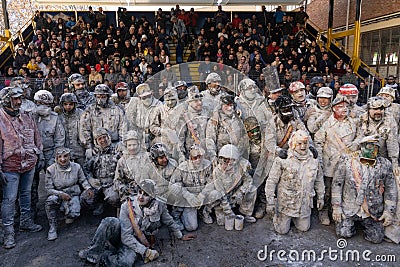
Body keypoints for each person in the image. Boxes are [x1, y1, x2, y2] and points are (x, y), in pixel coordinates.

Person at [78, 179, 196, 266]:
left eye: (146, 194)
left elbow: (168, 220)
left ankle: (104, 255)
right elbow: (125, 236)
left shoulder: (159, 205)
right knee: (109, 221)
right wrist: (145, 252)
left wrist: (180, 235)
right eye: (140, 192)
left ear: (153, 196)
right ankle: (92, 254)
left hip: (138, 241)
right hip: (124, 236)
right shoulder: (127, 206)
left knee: (125, 263)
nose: (141, 197)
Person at [332, 136, 397, 243]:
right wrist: (336, 207)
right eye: (370, 147)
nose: (373, 151)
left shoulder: (384, 165)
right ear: (361, 147)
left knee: (376, 238)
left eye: (376, 147)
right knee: (344, 233)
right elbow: (337, 184)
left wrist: (388, 211)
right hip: (350, 208)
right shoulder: (347, 162)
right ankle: (350, 224)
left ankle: (366, 225)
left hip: (371, 209)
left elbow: (391, 189)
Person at [0, 87, 43, 249]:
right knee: (9, 199)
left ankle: (26, 222)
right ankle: (8, 232)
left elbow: (36, 136)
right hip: (10, 166)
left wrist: (39, 154)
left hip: (29, 163)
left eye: (20, 99)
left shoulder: (26, 116)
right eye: (15, 99)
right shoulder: (1, 119)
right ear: (6, 100)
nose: (19, 102)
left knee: (25, 194)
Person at [265, 130, 324, 234]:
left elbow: (319, 180)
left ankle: (297, 219)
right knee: (282, 230)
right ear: (293, 144)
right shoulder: (283, 159)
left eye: (305, 143)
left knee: (304, 228)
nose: (302, 147)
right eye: (299, 143)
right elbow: (271, 181)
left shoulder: (314, 159)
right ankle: (280, 217)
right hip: (286, 204)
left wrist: (321, 197)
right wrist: (270, 202)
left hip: (304, 204)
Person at [314, 95, 360, 225]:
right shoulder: (327, 124)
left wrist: (355, 143)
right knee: (327, 189)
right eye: (340, 106)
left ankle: (342, 211)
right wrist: (320, 161)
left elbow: (359, 137)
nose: (344, 109)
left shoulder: (352, 122)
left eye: (346, 106)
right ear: (333, 108)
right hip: (330, 162)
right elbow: (318, 141)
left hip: (346, 163)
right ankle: (323, 212)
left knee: (345, 188)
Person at [44, 147, 93, 241]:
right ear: (56, 158)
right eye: (60, 157)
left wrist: (88, 188)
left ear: (69, 156)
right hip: (59, 194)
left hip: (73, 194)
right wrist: (60, 194)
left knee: (75, 212)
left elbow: (83, 180)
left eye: (65, 156)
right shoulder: (51, 170)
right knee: (51, 200)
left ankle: (69, 212)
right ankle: (52, 226)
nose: (63, 159)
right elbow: (48, 189)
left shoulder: (76, 167)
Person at [202, 144, 257, 225]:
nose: (226, 163)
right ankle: (205, 212)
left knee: (252, 188)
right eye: (224, 160)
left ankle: (245, 212)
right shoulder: (217, 172)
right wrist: (229, 213)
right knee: (223, 222)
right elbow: (221, 195)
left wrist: (241, 192)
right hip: (220, 200)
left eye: (229, 160)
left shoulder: (240, 167)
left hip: (234, 195)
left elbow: (248, 180)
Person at [32, 90, 66, 218]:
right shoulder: (30, 116)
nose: (42, 106)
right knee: (32, 183)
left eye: (45, 103)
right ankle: (31, 209)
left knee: (55, 180)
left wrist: (55, 158)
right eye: (39, 103)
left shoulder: (55, 118)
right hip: (33, 153)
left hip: (50, 152)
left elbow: (59, 140)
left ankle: (58, 206)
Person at [169, 144, 213, 231]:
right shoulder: (183, 167)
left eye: (200, 156)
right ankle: (176, 215)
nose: (198, 160)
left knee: (215, 193)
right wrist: (187, 195)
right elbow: (171, 185)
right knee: (191, 227)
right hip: (188, 199)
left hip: (202, 196)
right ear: (190, 157)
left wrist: (202, 195)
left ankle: (204, 212)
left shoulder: (208, 165)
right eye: (195, 157)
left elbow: (212, 182)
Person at [79, 84, 125, 160]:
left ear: (108, 97)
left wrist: (121, 142)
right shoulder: (89, 110)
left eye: (103, 97)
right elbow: (84, 129)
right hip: (96, 148)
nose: (100, 99)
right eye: (98, 97)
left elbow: (123, 127)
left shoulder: (117, 110)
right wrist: (88, 147)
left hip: (115, 146)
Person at [83, 128, 122, 215]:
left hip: (112, 183)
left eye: (104, 137)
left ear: (108, 137)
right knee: (85, 198)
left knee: (114, 198)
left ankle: (119, 209)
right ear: (96, 141)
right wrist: (90, 179)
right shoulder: (92, 153)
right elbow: (86, 169)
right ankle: (100, 204)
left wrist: (117, 181)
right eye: (99, 139)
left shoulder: (116, 150)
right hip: (97, 184)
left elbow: (123, 168)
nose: (103, 140)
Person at [357, 96, 400, 175]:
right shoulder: (362, 119)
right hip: (364, 157)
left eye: (381, 109)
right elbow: (358, 139)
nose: (379, 112)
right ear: (369, 110)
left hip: (383, 158)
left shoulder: (389, 120)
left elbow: (392, 143)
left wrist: (394, 163)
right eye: (375, 109)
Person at [206, 93, 249, 160]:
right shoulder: (215, 120)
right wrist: (213, 156)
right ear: (221, 106)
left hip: (238, 156)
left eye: (231, 105)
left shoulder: (239, 117)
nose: (229, 108)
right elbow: (210, 139)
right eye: (226, 105)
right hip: (223, 158)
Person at [123, 83, 162, 150]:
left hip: (155, 137)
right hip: (138, 136)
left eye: (149, 96)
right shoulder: (135, 104)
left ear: (151, 94)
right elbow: (129, 122)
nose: (147, 99)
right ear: (139, 97)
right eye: (144, 97)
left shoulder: (159, 104)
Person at [114, 130, 149, 202]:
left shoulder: (148, 157)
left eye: (134, 144)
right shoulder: (122, 161)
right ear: (126, 146)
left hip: (147, 191)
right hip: (130, 192)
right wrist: (125, 189)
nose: (132, 148)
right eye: (129, 145)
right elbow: (117, 180)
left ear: (139, 144)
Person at [58, 93, 86, 167]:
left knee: (82, 170)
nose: (68, 106)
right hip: (64, 150)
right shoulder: (59, 116)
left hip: (79, 148)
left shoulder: (81, 114)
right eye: (65, 104)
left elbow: (85, 130)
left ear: (75, 104)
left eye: (71, 104)